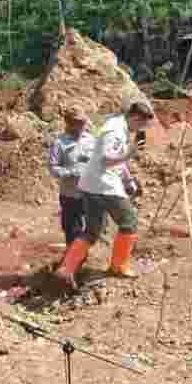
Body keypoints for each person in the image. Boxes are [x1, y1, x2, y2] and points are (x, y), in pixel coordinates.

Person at [58, 96, 157, 287]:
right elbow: (106, 159)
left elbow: (115, 160)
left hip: (92, 184)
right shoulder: (115, 131)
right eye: (141, 125)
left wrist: (127, 178)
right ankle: (118, 267)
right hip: (103, 184)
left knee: (92, 231)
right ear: (135, 118)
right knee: (129, 221)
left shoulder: (118, 125)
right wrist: (130, 153)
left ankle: (66, 268)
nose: (140, 130)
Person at [47, 103, 96, 249]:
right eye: (78, 122)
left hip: (89, 193)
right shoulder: (60, 143)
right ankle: (72, 260)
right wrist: (72, 171)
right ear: (69, 123)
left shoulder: (91, 140)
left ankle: (81, 257)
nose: (82, 125)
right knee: (71, 229)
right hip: (70, 194)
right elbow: (53, 168)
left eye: (83, 122)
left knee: (90, 229)